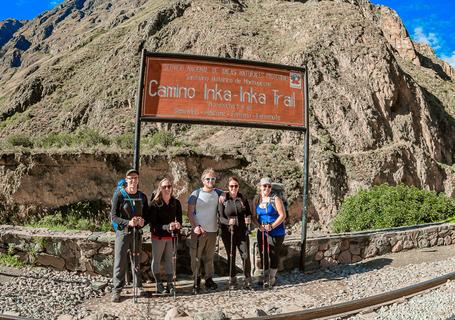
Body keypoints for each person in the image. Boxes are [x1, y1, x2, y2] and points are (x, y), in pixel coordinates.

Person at [110, 169, 148, 302]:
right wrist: (128, 222)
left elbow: (147, 216)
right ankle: (117, 290)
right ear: (126, 180)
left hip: (137, 233)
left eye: (135, 178)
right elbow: (113, 217)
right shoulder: (119, 195)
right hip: (123, 232)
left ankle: (138, 286)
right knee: (120, 261)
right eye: (130, 178)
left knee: (136, 260)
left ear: (138, 180)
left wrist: (143, 222)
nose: (133, 180)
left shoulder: (142, 196)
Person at [187, 168, 223, 294]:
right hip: (199, 231)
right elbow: (190, 213)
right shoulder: (195, 194)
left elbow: (227, 193)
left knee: (209, 257)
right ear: (203, 180)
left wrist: (224, 194)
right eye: (208, 179)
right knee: (195, 257)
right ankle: (196, 281)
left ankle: (208, 279)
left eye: (213, 178)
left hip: (212, 231)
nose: (210, 181)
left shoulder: (218, 193)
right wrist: (195, 226)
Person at [218, 176, 253, 290]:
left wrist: (248, 218)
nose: (234, 188)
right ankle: (232, 279)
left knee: (245, 255)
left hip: (242, 231)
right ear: (228, 187)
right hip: (228, 232)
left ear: (238, 187)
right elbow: (220, 218)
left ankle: (248, 279)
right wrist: (228, 222)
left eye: (236, 186)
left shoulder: (242, 198)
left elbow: (248, 213)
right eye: (231, 186)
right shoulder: (223, 199)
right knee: (231, 256)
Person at [149, 177, 182, 295]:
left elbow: (180, 221)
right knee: (156, 260)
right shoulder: (155, 204)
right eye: (164, 187)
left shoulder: (176, 203)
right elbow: (153, 225)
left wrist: (178, 225)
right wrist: (167, 227)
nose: (167, 189)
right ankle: (158, 284)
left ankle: (169, 283)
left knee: (169, 261)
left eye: (169, 186)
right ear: (160, 188)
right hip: (158, 236)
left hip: (171, 237)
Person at [253, 177, 286, 287]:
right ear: (260, 187)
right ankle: (265, 276)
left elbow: (282, 215)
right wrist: (259, 226)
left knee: (273, 254)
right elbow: (254, 216)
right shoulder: (257, 199)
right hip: (262, 231)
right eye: (264, 186)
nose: (267, 188)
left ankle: (271, 277)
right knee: (263, 253)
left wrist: (271, 226)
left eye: (269, 186)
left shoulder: (275, 199)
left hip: (276, 232)